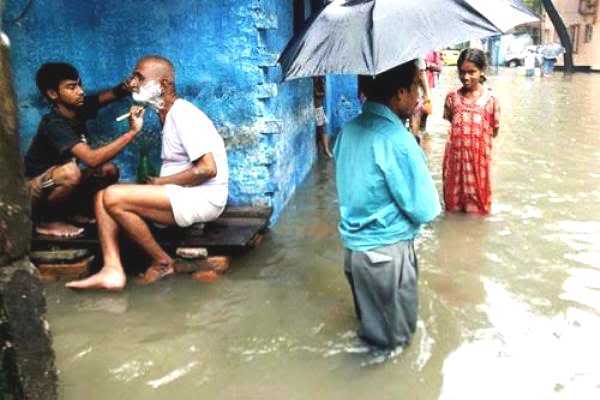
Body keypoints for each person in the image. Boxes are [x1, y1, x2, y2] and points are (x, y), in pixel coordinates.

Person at [66, 55, 229, 291]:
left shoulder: (184, 114)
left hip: (204, 198)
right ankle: (112, 270)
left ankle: (162, 261)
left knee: (112, 196)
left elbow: (207, 169)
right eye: (134, 77)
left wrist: (161, 182)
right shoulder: (166, 113)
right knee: (101, 197)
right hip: (181, 195)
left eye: (139, 78)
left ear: (163, 85)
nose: (133, 83)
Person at [334, 61, 441, 350]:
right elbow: (426, 209)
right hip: (387, 257)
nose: (419, 98)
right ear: (399, 94)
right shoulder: (398, 141)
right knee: (394, 348)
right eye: (415, 91)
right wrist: (414, 146)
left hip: (355, 255)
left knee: (372, 336)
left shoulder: (348, 132)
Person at [24, 62, 139, 238]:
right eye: (72, 87)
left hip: (59, 185)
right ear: (53, 93)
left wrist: (128, 86)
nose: (80, 91)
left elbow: (110, 95)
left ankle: (73, 213)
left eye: (79, 84)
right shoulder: (54, 124)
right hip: (32, 193)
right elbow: (91, 159)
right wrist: (131, 132)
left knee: (108, 171)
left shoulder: (78, 109)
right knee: (71, 173)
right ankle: (46, 221)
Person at [443, 48, 500, 215]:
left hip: (478, 163)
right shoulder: (452, 98)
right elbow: (450, 123)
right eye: (462, 72)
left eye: (471, 72)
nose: (466, 77)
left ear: (482, 71)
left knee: (478, 209)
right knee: (453, 208)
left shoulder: (491, 100)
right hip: (455, 162)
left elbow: (494, 131)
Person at [409, 58, 432, 143]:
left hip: (412, 95)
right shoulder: (417, 57)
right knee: (416, 122)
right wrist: (427, 94)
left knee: (415, 122)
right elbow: (422, 74)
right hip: (414, 95)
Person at [314, 76, 332, 158]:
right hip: (319, 101)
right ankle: (325, 148)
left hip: (320, 100)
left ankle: (325, 147)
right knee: (321, 122)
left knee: (322, 122)